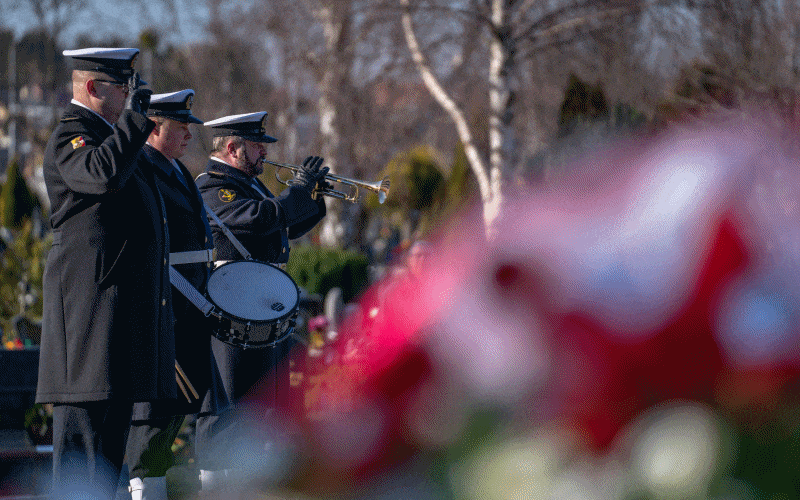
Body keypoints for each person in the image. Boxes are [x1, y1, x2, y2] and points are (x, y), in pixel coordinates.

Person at [35, 47, 172, 499]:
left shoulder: (117, 139)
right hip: (87, 331)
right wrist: (135, 124)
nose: (134, 97)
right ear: (94, 88)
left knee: (106, 469)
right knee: (82, 463)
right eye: (124, 88)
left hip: (116, 330)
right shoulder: (71, 136)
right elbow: (101, 174)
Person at [194, 111, 329, 493]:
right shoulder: (213, 186)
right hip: (231, 308)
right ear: (233, 148)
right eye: (256, 146)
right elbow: (259, 218)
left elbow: (283, 226)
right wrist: (298, 192)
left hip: (261, 307)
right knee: (227, 407)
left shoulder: (248, 185)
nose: (263, 155)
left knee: (263, 403)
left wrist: (314, 198)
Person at [124, 90, 226, 500]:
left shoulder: (178, 170)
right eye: (180, 127)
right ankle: (143, 486)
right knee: (154, 413)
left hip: (189, 300)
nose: (188, 134)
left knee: (176, 409)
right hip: (164, 301)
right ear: (152, 130)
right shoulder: (142, 169)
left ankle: (154, 481)